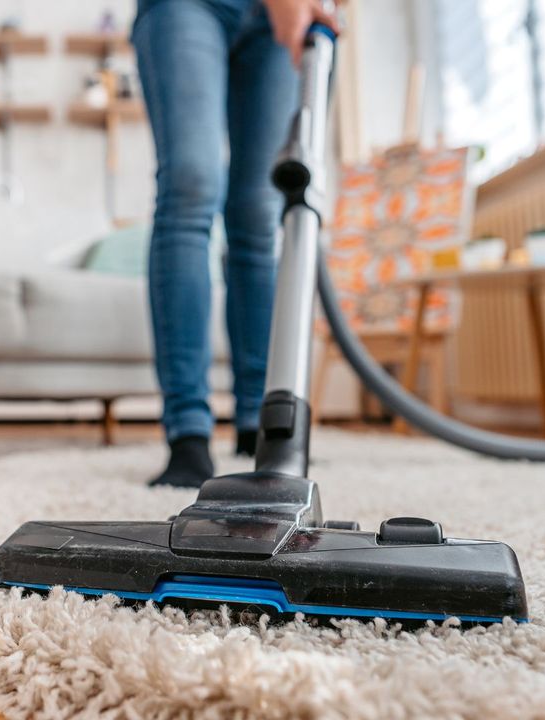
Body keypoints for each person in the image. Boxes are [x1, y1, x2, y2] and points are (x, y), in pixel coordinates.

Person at [133, 0, 338, 487]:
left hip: (278, 20)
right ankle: (188, 433)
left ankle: (260, 423)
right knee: (191, 186)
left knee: (259, 211)